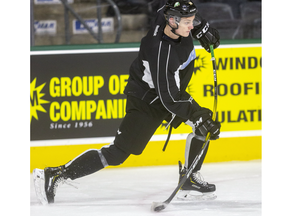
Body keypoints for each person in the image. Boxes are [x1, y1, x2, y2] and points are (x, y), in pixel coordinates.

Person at [33, 0, 221, 205]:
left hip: (168, 92)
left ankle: (190, 178)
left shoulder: (167, 18)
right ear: (173, 21)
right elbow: (170, 99)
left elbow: (171, 4)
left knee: (205, 123)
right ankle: (55, 174)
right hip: (147, 100)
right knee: (117, 153)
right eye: (188, 22)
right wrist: (196, 115)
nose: (191, 26)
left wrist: (202, 26)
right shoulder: (160, 51)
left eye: (192, 21)